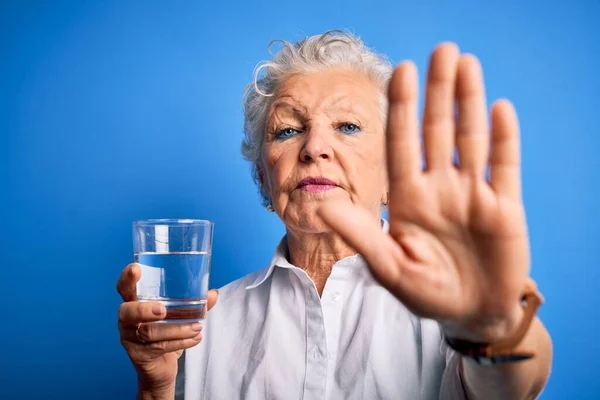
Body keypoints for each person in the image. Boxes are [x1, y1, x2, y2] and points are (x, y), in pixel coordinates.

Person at [116, 31, 553, 399]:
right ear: (263, 178)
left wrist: (492, 326)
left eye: (347, 126)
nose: (314, 148)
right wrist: (156, 387)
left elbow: (513, 385)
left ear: (391, 175)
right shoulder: (201, 325)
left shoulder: (445, 304)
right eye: (288, 130)